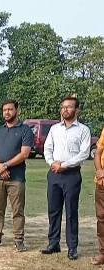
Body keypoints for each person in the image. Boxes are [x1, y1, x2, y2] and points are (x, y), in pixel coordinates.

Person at [42, 96, 91, 260]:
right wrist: (52, 163)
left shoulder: (83, 130)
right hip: (54, 174)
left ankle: (72, 247)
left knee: (71, 212)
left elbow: (83, 154)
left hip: (71, 174)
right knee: (53, 210)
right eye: (63, 107)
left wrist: (65, 165)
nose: (65, 110)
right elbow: (47, 148)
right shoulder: (55, 129)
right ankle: (53, 243)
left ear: (77, 110)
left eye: (69, 107)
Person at [0, 100, 33, 252]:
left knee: (17, 211)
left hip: (16, 178)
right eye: (4, 110)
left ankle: (19, 239)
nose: (7, 112)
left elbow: (24, 153)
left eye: (10, 109)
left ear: (17, 110)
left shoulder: (25, 130)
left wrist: (5, 165)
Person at [92, 127, 104, 265]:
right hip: (102, 182)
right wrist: (100, 171)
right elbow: (98, 153)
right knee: (101, 217)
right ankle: (102, 252)